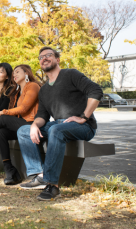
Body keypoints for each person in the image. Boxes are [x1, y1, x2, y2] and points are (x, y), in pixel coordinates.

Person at [17, 47, 103, 201]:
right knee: (24, 130)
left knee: (56, 130)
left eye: (48, 55)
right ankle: (40, 175)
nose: (44, 58)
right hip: (58, 125)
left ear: (57, 59)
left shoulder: (70, 74)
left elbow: (95, 90)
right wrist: (35, 125)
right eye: (41, 57)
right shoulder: (43, 90)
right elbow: (42, 116)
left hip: (83, 126)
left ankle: (52, 185)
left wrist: (84, 116)